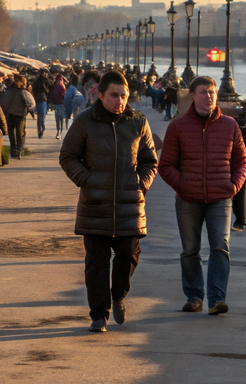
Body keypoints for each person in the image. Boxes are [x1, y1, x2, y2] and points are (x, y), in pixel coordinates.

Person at [59, 70, 158, 333]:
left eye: (124, 96)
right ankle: (99, 314)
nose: (120, 101)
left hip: (129, 205)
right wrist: (87, 180)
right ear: (100, 95)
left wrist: (141, 183)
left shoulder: (138, 122)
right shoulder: (84, 122)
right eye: (114, 95)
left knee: (128, 254)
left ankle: (119, 295)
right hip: (96, 205)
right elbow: (67, 156)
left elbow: (150, 160)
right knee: (97, 263)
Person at [159, 76, 246, 315]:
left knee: (220, 246)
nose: (209, 96)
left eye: (212, 92)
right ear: (192, 96)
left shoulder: (230, 125)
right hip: (188, 199)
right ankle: (194, 296)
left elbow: (242, 162)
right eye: (203, 92)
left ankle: (217, 299)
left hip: (221, 197)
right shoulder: (178, 126)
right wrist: (183, 185)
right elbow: (165, 165)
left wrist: (234, 186)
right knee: (190, 249)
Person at [0, 74, 35, 158]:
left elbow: (2, 102)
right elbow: (32, 104)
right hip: (20, 114)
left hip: (9, 114)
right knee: (18, 131)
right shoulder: (23, 92)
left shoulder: (7, 91)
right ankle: (19, 150)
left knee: (11, 132)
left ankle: (13, 149)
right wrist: (28, 109)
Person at [32, 69, 52, 139]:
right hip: (42, 99)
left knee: (39, 116)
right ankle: (42, 127)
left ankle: (39, 130)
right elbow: (50, 84)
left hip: (37, 99)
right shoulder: (43, 80)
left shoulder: (35, 81)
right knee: (42, 115)